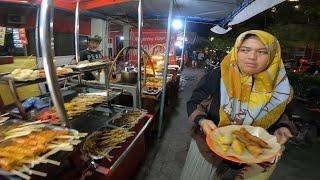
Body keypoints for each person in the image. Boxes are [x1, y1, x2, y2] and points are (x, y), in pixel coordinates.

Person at [180, 30, 296, 180]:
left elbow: (284, 112)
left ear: (273, 56)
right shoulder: (218, 76)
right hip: (209, 150)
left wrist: (284, 127)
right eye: (245, 50)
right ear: (236, 51)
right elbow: (194, 102)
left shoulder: (280, 87)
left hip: (254, 158)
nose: (252, 57)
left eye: (262, 52)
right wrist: (202, 120)